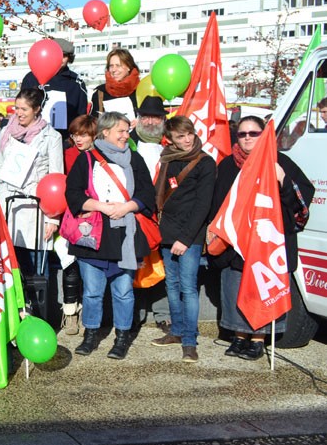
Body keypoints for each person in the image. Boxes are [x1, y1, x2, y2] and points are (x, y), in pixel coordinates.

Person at [210, 116, 313, 360]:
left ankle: (259, 339)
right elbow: (217, 203)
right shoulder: (227, 165)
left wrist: (283, 180)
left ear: (262, 135)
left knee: (263, 290)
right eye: (242, 134)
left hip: (267, 243)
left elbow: (302, 199)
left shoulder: (281, 162)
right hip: (236, 242)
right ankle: (238, 336)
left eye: (253, 133)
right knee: (235, 288)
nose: (247, 138)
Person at [66, 111, 157, 360]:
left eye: (127, 131)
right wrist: (101, 207)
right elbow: (72, 194)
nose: (126, 135)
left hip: (124, 235)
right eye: (121, 131)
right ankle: (91, 333)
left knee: (124, 291)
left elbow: (147, 195)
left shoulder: (135, 160)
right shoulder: (85, 160)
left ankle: (122, 336)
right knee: (93, 291)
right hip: (93, 236)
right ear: (105, 132)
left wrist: (127, 207)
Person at [149, 115, 215, 363]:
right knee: (172, 285)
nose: (188, 139)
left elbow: (203, 205)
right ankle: (176, 331)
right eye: (181, 136)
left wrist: (185, 239)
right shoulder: (167, 158)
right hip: (167, 231)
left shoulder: (205, 162)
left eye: (190, 134)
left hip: (190, 234)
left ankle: (190, 341)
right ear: (170, 139)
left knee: (188, 287)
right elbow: (160, 193)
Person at [0, 87, 63, 312]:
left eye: (24, 109)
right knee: (11, 263)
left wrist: (54, 219)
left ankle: (39, 312)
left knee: (36, 265)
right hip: (8, 205)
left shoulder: (52, 137)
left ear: (37, 110)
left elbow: (56, 176)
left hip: (36, 210)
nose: (19, 113)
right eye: (17, 107)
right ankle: (16, 312)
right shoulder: (7, 131)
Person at [60, 114, 98, 335]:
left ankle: (91, 314)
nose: (78, 139)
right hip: (70, 216)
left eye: (83, 134)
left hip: (96, 217)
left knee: (93, 268)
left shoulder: (101, 156)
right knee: (70, 264)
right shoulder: (67, 155)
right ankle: (71, 312)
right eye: (74, 134)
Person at [19, 38, 87, 140]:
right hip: (33, 137)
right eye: (56, 55)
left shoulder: (76, 82)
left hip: (64, 139)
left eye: (64, 55)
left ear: (69, 58)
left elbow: (81, 115)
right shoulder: (31, 77)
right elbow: (22, 107)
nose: (60, 59)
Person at [90, 48, 140, 120]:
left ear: (129, 67)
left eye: (118, 65)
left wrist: (140, 123)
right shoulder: (100, 93)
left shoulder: (140, 91)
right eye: (111, 66)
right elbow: (93, 124)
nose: (114, 70)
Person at [131, 95, 167, 179]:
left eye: (155, 117)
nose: (150, 122)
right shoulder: (129, 142)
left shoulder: (171, 141)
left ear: (163, 119)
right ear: (139, 118)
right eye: (145, 117)